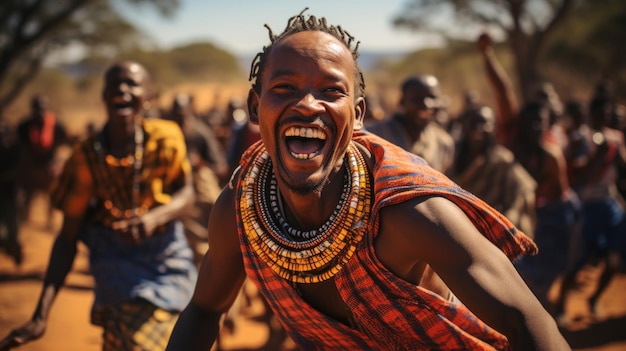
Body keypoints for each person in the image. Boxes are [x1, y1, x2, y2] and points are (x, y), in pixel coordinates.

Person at [166, 10, 571, 351]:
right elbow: (203, 310)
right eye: (285, 88)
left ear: (357, 115)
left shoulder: (410, 212)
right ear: (256, 108)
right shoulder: (243, 208)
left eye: (330, 90)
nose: (307, 105)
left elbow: (526, 320)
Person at [0, 61, 197, 351]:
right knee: (140, 341)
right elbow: (67, 238)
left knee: (182, 334)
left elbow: (187, 194)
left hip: (167, 255)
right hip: (114, 260)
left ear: (148, 97)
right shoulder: (85, 157)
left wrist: (154, 218)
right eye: (114, 84)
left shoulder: (166, 138)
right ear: (104, 96)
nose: (122, 89)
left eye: (132, 84)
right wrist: (41, 315)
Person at [477, 32, 581, 313]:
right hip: (511, 215)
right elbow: (503, 91)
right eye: (530, 123)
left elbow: (560, 200)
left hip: (546, 216)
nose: (535, 128)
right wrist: (487, 55)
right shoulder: (511, 137)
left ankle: (546, 307)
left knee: (551, 266)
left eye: (541, 124)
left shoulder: (550, 155)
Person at [449, 104, 537, 238]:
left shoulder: (502, 160)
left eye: (484, 123)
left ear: (494, 127)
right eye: (473, 122)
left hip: (490, 232)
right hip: (456, 227)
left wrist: (498, 230)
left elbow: (516, 199)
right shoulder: (452, 154)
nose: (478, 128)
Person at [164, 92, 226, 265]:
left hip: (200, 193)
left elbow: (220, 167)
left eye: (184, 116)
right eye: (176, 116)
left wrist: (200, 164)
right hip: (175, 193)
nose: (181, 121)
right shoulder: (167, 135)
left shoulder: (200, 134)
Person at [366, 74, 455, 174]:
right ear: (402, 102)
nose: (427, 104)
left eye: (432, 97)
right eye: (417, 99)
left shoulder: (444, 143)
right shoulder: (373, 135)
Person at [16, 94, 69, 227]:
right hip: (30, 168)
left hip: (49, 166)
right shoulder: (24, 126)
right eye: (37, 108)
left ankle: (49, 222)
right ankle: (24, 220)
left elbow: (64, 141)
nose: (40, 111)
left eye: (43, 108)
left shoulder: (57, 126)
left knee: (51, 196)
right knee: (28, 194)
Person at [0, 121, 22, 265]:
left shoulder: (14, 150)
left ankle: (14, 250)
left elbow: (17, 172)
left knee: (12, 227)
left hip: (8, 195)